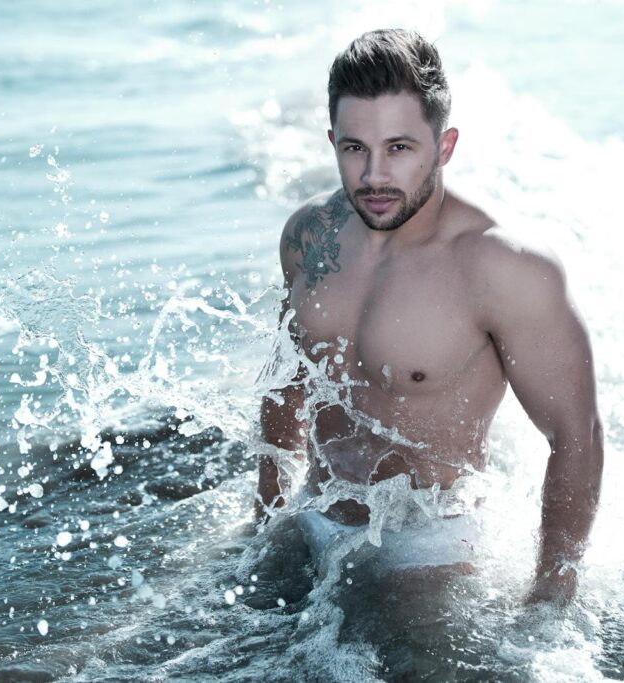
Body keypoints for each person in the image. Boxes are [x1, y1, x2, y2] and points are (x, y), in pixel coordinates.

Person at [257, 28, 603, 604]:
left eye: (399, 148)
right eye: (354, 148)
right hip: (313, 511)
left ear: (444, 146)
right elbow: (286, 381)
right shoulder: (308, 237)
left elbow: (577, 435)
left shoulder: (502, 268)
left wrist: (549, 602)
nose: (373, 176)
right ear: (332, 141)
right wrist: (266, 515)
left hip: (430, 543)